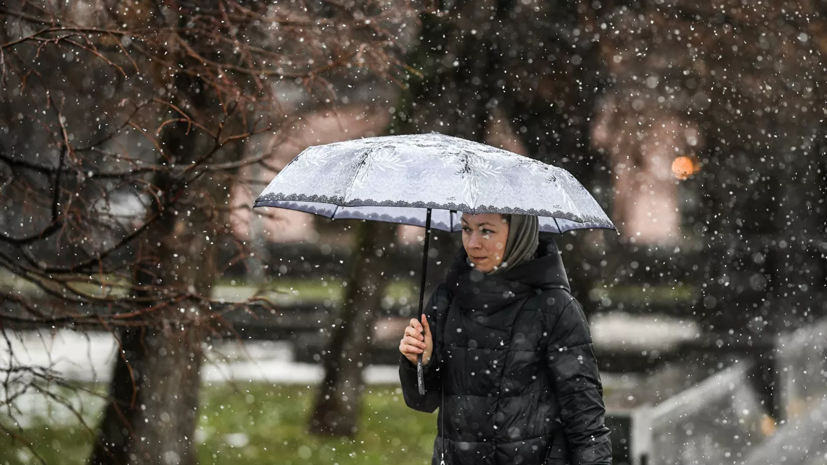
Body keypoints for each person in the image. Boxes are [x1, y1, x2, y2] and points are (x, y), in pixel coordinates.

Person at [398, 212, 612, 465]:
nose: (473, 243)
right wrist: (419, 362)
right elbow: (422, 400)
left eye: (486, 231)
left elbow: (585, 418)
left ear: (519, 235)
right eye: (467, 229)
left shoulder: (555, 308)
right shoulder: (447, 298)